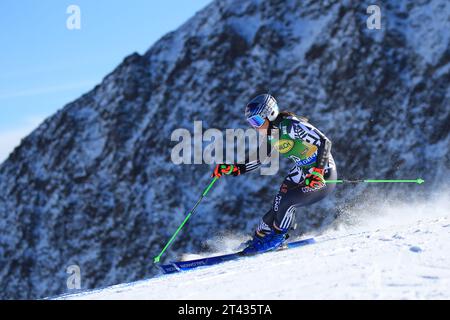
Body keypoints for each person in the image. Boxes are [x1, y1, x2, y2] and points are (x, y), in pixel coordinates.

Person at [212, 94, 337, 254]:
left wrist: (318, 171)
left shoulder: (292, 126)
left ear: (270, 114)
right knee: (274, 210)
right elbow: (260, 158)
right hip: (301, 172)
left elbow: (324, 142)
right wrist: (235, 168)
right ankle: (259, 238)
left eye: (256, 121)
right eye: (251, 123)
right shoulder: (272, 135)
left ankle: (277, 238)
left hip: (323, 175)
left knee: (287, 202)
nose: (255, 127)